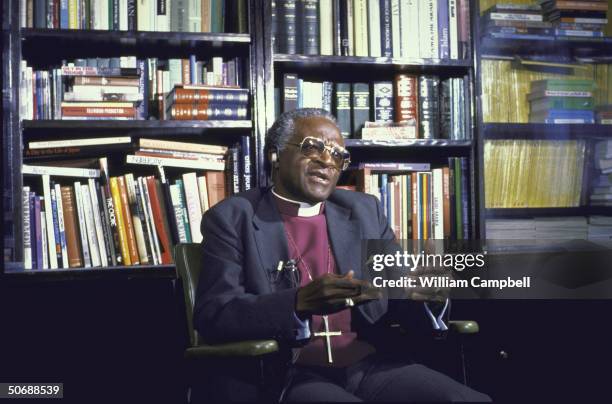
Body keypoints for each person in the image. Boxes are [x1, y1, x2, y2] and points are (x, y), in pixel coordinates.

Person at [194, 108, 491, 402]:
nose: (327, 161)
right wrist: (297, 303)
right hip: (290, 373)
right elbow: (215, 314)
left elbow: (400, 298)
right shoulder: (233, 217)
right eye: (313, 147)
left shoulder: (364, 211)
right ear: (275, 154)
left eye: (338, 155)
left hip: (372, 366)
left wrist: (429, 297)